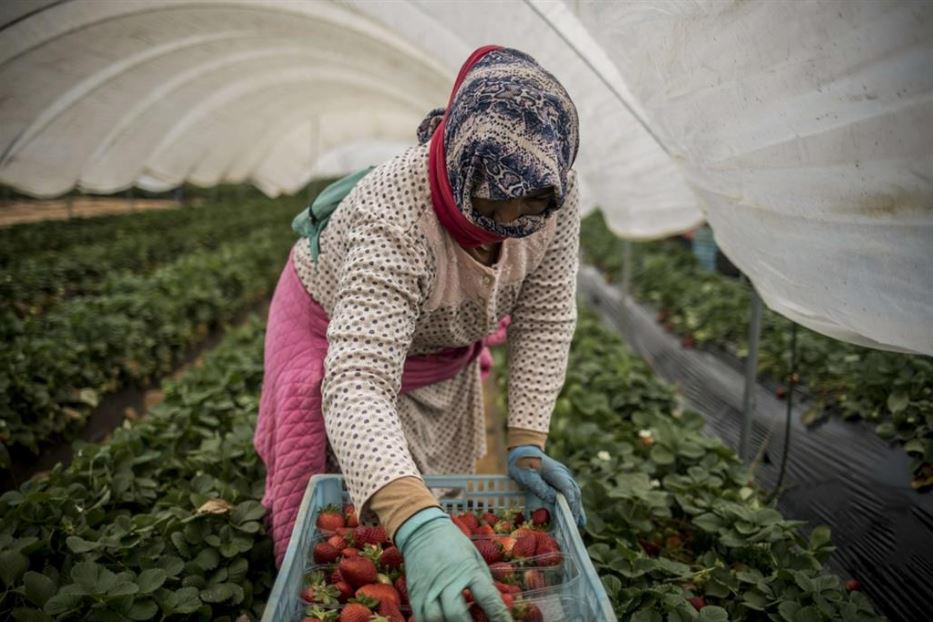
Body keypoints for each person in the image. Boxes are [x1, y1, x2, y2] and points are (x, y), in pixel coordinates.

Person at [253, 45, 585, 622]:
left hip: (439, 346)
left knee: (433, 489)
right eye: (493, 203)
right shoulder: (394, 213)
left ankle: (429, 542)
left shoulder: (555, 186)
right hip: (337, 333)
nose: (511, 223)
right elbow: (357, 381)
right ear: (457, 168)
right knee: (362, 495)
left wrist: (528, 439)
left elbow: (545, 312)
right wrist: (414, 517)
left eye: (531, 203)